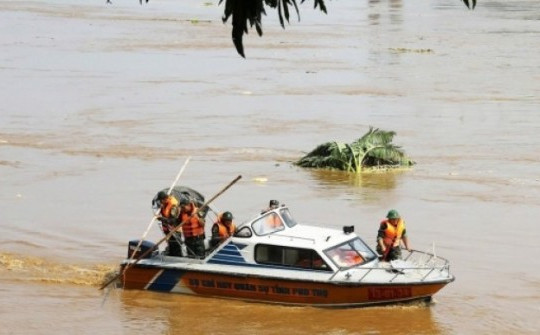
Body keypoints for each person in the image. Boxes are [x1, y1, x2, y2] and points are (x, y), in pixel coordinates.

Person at [156, 191, 182, 256]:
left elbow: (173, 220)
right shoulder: (165, 203)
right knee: (171, 248)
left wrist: (161, 218)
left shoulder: (173, 205)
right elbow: (164, 213)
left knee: (176, 249)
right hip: (168, 230)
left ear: (164, 199)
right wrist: (160, 207)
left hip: (175, 230)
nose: (160, 202)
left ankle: (177, 261)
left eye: (160, 201)